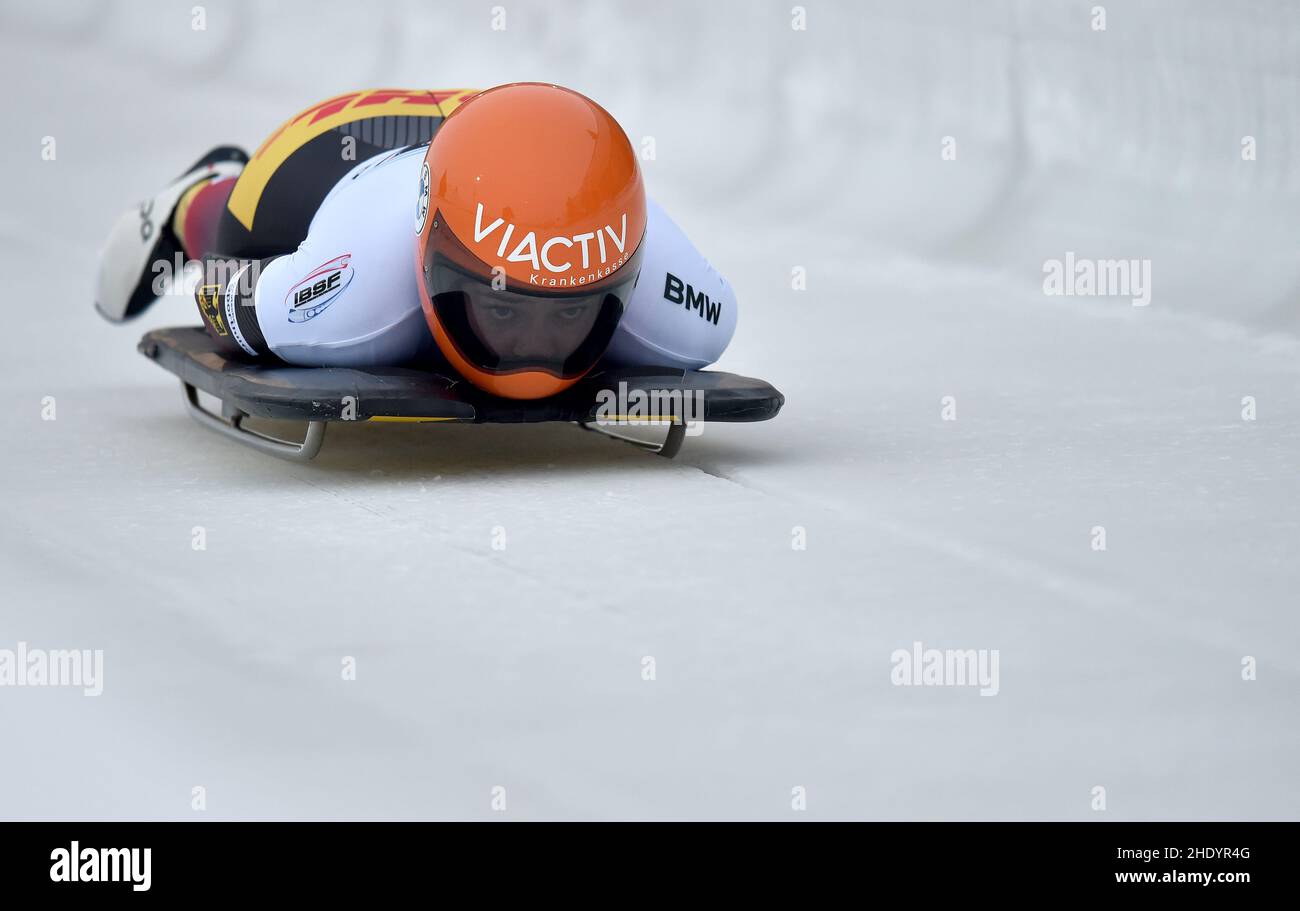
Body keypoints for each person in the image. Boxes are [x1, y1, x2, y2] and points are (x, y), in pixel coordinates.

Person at [95, 83, 738, 399]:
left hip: (494, 126)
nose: (532, 351)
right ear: (428, 259)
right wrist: (233, 290)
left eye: (572, 310)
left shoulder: (684, 312)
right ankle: (196, 197)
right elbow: (230, 297)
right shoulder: (336, 302)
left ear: (628, 277)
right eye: (505, 308)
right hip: (341, 151)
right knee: (241, 230)